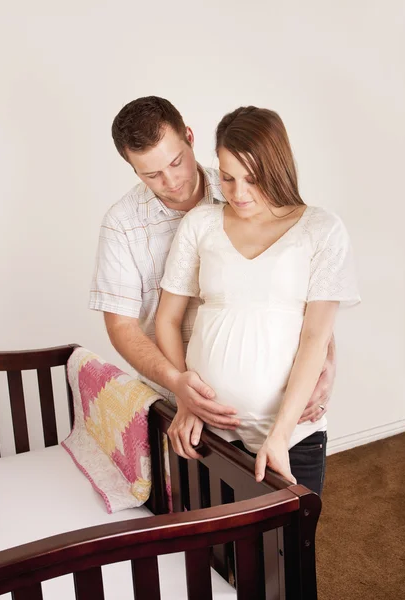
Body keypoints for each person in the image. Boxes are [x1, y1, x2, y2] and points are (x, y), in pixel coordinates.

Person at [89, 96, 337, 474]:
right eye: (150, 174)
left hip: (278, 406)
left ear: (189, 136)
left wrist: (329, 362)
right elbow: (121, 326)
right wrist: (180, 388)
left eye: (175, 162)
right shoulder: (122, 225)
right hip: (186, 412)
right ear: (132, 168)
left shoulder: (240, 183)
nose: (171, 182)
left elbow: (302, 289)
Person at [155, 106, 360, 495]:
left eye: (253, 178)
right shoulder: (200, 224)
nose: (239, 193)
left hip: (291, 434)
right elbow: (167, 319)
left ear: (277, 167)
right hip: (208, 428)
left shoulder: (321, 229)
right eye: (228, 178)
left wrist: (280, 435)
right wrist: (186, 399)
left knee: (288, 551)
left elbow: (316, 336)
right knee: (212, 552)